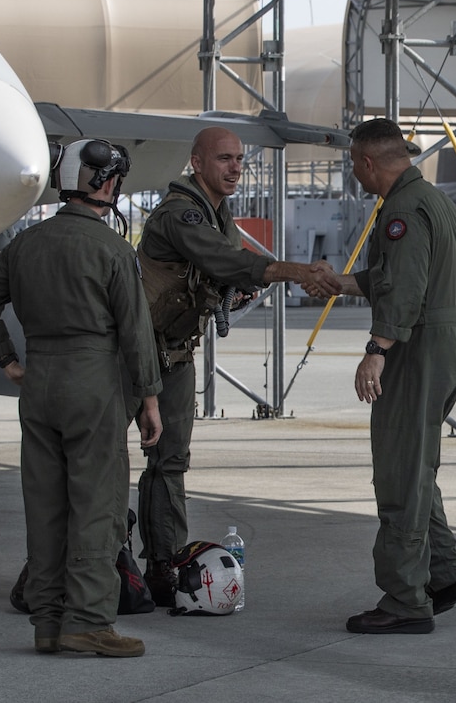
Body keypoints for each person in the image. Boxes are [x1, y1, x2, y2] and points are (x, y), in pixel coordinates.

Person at [0, 139, 163, 657]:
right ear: (104, 184)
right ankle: (90, 621)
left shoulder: (25, 245)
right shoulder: (114, 249)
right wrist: (149, 398)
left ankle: (48, 623)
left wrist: (7, 360)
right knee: (98, 505)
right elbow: (136, 332)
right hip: (92, 381)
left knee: (46, 506)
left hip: (39, 382)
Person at [136, 126, 342, 605]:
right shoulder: (182, 212)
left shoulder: (218, 212)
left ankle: (163, 566)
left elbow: (222, 269)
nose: (235, 167)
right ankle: (81, 567)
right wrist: (295, 272)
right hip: (133, 351)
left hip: (175, 354)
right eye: (224, 158)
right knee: (99, 466)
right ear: (197, 163)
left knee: (170, 463)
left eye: (239, 159)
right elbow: (225, 260)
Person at [302, 117, 456, 634]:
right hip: (443, 343)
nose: (354, 173)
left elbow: (404, 288)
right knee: (416, 466)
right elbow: (391, 276)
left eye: (353, 164)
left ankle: (405, 600)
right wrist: (341, 283)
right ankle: (443, 576)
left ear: (366, 161)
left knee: (400, 473)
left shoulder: (401, 209)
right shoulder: (430, 199)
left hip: (416, 348)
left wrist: (377, 349)